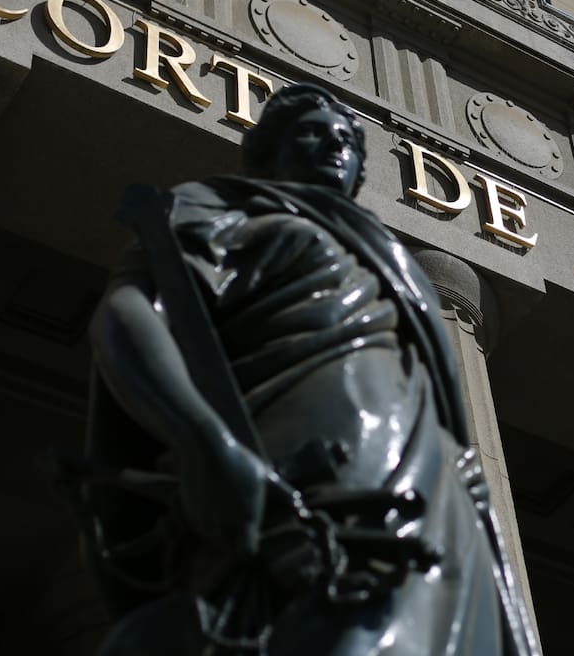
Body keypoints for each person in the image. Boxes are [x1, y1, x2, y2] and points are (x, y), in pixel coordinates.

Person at [82, 84, 535, 655]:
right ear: (269, 150)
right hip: (304, 487)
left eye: (346, 139)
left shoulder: (394, 262)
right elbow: (126, 315)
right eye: (312, 132)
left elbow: (437, 394)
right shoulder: (223, 209)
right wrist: (203, 440)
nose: (333, 145)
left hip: (431, 505)